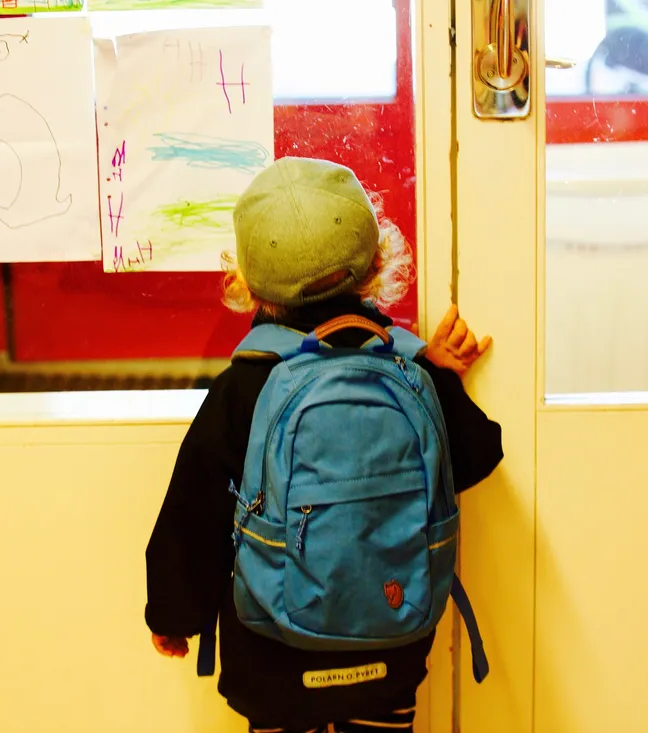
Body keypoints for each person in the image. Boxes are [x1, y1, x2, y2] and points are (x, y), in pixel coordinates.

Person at [145, 157, 504, 733]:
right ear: (378, 261)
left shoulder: (245, 388)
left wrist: (172, 614)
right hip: (392, 644)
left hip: (273, 656)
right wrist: (439, 378)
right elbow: (478, 455)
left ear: (245, 283)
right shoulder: (408, 372)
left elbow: (194, 514)